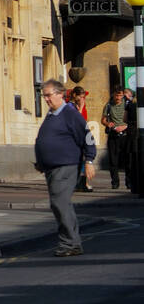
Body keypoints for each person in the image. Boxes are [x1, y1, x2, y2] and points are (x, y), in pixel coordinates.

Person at [35, 80, 96, 256]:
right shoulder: (52, 114)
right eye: (44, 95)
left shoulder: (70, 113)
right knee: (62, 205)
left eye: (48, 95)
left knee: (59, 203)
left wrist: (89, 161)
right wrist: (41, 161)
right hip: (52, 168)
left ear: (60, 94)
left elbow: (88, 138)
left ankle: (69, 243)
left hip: (66, 166)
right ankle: (73, 242)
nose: (45, 99)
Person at [101, 86, 131, 190]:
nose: (118, 97)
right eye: (117, 95)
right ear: (113, 94)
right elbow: (103, 119)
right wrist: (108, 123)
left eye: (121, 95)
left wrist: (125, 126)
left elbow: (132, 120)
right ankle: (115, 182)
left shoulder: (127, 105)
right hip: (113, 135)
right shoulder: (109, 105)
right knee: (113, 161)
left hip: (126, 134)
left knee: (128, 160)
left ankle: (129, 182)